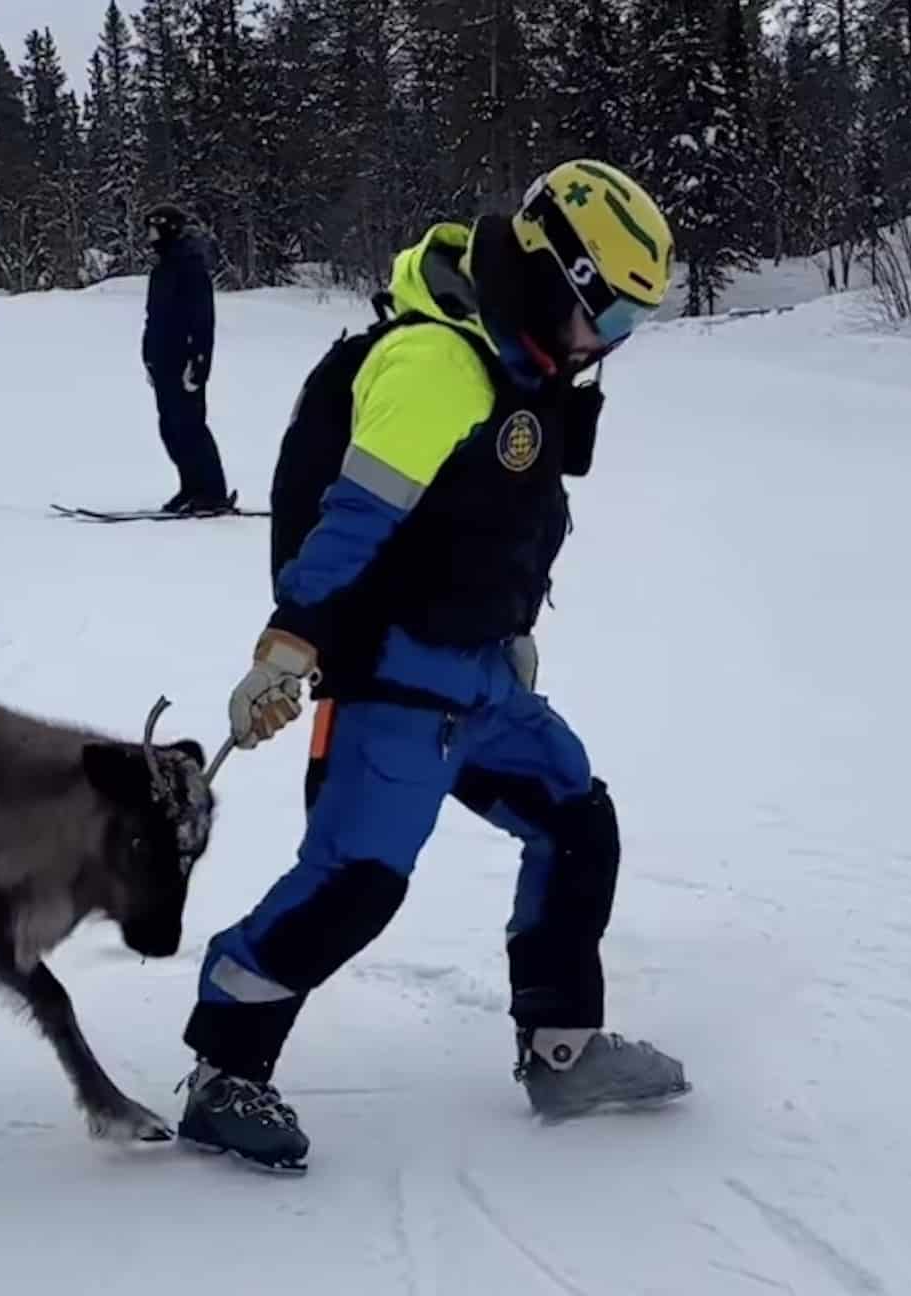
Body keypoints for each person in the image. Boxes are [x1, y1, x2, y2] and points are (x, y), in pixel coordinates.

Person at [175, 160, 691, 1171]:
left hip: (479, 675)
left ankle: (562, 1046)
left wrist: (512, 624)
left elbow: (499, 516)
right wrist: (288, 645)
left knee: (575, 820)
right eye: (610, 317)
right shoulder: (433, 362)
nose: (609, 346)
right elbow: (355, 520)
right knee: (356, 883)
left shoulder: (518, 363)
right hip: (394, 680)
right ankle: (224, 1069)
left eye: (631, 326)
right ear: (553, 274)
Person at [141, 202, 230, 513]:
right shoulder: (162, 267)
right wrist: (149, 356)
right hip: (163, 360)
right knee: (171, 428)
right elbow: (154, 317)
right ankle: (190, 487)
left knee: (190, 426)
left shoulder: (190, 266)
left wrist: (199, 362)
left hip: (184, 361)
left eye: (154, 228)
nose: (150, 235)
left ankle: (212, 492)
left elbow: (203, 320)